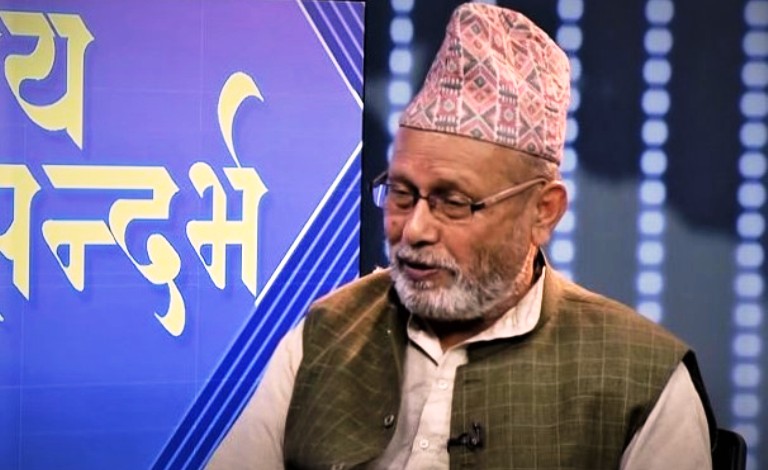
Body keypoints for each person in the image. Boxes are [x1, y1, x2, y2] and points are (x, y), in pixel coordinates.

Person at [208, 3, 716, 469]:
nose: (414, 230)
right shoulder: (325, 334)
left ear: (543, 212)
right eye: (402, 193)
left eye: (453, 202)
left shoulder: (641, 380)